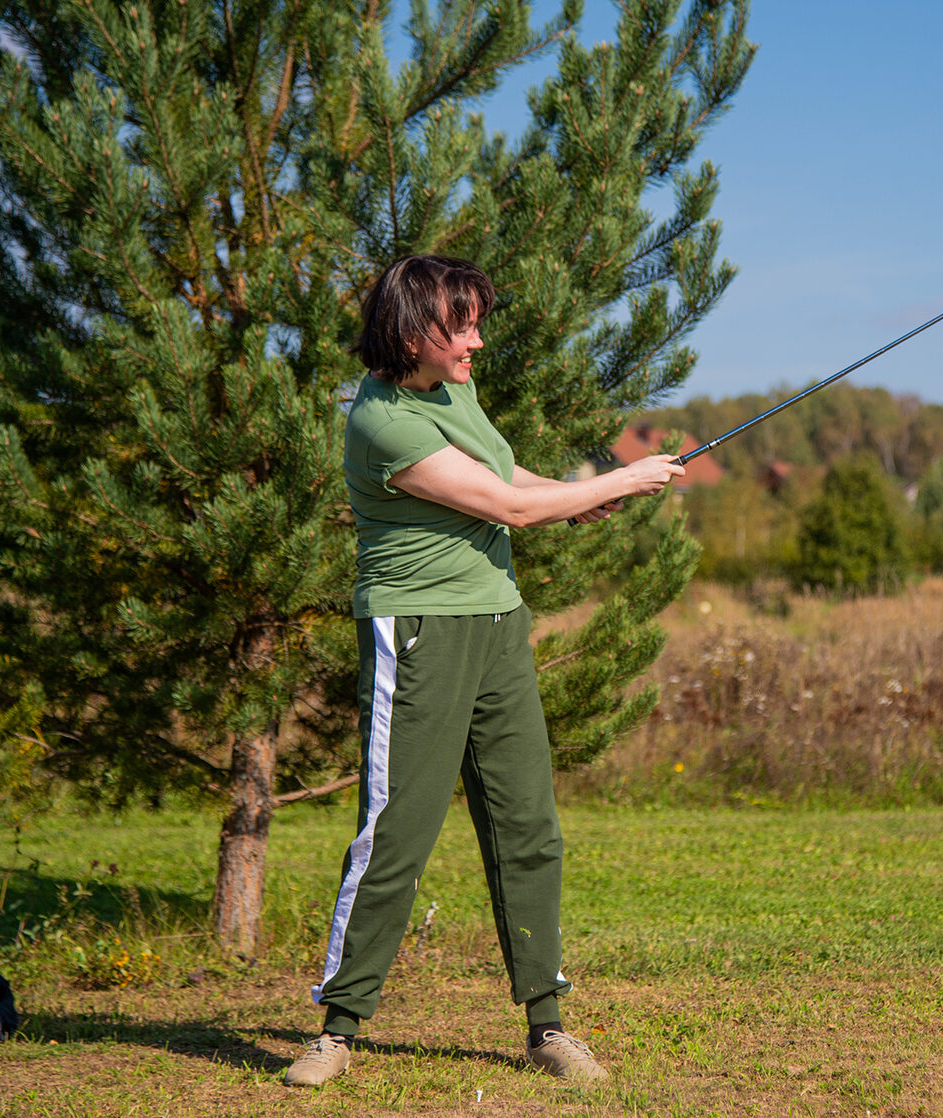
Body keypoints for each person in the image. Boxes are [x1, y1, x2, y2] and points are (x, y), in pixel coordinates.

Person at [285, 255, 684, 1088]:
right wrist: (623, 476)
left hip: (498, 621)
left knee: (527, 825)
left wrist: (587, 494)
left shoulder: (451, 392)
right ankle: (339, 1027)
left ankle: (548, 1026)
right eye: (460, 325)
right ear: (412, 331)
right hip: (419, 629)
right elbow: (505, 509)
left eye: (475, 322)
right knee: (397, 832)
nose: (476, 340)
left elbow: (505, 480)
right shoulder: (381, 420)